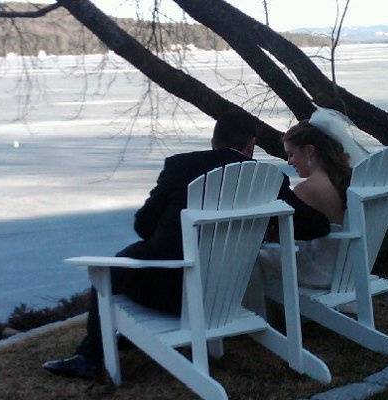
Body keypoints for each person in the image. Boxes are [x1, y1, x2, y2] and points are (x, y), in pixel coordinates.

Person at [43, 111, 330, 379]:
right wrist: (258, 228)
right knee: (135, 256)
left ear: (213, 142)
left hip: (171, 292)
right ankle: (123, 338)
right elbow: (317, 225)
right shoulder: (268, 178)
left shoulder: (179, 166)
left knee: (112, 268)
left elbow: (143, 226)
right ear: (251, 145)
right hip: (227, 292)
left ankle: (90, 358)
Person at [260, 119, 352, 288]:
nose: (289, 162)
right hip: (346, 268)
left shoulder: (308, 189)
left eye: (291, 154)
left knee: (255, 259)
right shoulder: (342, 179)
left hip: (319, 272)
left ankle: (267, 313)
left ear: (309, 151)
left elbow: (286, 232)